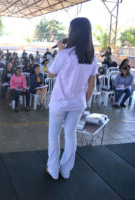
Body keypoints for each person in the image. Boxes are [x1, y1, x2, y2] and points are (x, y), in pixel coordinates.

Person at [47, 17, 97, 180]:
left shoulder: (65, 54)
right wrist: (84, 103)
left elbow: (51, 73)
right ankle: (66, 170)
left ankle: (53, 170)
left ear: (73, 32)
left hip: (59, 102)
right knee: (70, 135)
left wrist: (61, 51)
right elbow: (91, 84)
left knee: (53, 135)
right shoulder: (91, 56)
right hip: (78, 104)